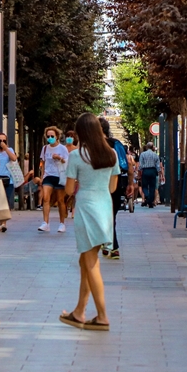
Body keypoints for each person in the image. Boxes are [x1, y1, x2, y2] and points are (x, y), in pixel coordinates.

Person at [59, 113, 120, 331]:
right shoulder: (111, 154)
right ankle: (79, 311)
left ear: (80, 133)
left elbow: (67, 189)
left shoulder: (77, 156)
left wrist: (77, 187)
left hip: (85, 207)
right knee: (85, 261)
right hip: (104, 207)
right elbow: (112, 188)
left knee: (91, 262)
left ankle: (102, 315)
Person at [100, 117, 130, 260]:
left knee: (106, 216)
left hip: (100, 184)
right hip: (118, 183)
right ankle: (109, 244)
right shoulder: (117, 144)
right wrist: (130, 183)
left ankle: (111, 245)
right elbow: (127, 166)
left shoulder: (94, 147)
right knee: (111, 215)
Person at [38, 126, 70, 233]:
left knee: (60, 200)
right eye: (48, 136)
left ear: (57, 136)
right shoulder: (45, 148)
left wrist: (59, 158)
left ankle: (62, 223)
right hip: (48, 175)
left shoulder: (63, 149)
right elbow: (43, 162)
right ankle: (45, 223)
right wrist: (42, 176)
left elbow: (67, 162)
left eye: (52, 136)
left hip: (60, 176)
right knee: (46, 198)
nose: (50, 138)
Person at [0, 133, 18, 232]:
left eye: (4, 140)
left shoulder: (10, 150)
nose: (2, 142)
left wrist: (6, 148)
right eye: (0, 140)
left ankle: (3, 223)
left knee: (5, 201)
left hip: (8, 179)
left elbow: (14, 158)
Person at [138, 142, 161, 208]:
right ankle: (150, 202)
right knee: (152, 187)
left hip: (145, 171)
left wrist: (139, 172)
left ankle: (147, 196)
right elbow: (158, 165)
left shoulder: (143, 154)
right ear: (152, 147)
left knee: (144, 186)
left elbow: (140, 165)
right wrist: (158, 172)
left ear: (147, 147)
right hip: (153, 171)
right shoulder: (155, 155)